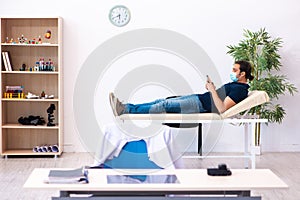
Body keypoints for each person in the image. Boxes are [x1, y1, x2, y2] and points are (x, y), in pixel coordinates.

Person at [109, 60, 254, 116]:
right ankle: (124, 107)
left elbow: (222, 108)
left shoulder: (240, 90)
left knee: (164, 105)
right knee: (161, 101)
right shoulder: (235, 85)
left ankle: (124, 110)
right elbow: (220, 99)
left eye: (235, 70)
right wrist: (213, 89)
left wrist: (211, 90)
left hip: (200, 105)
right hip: (199, 99)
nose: (232, 72)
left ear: (242, 74)